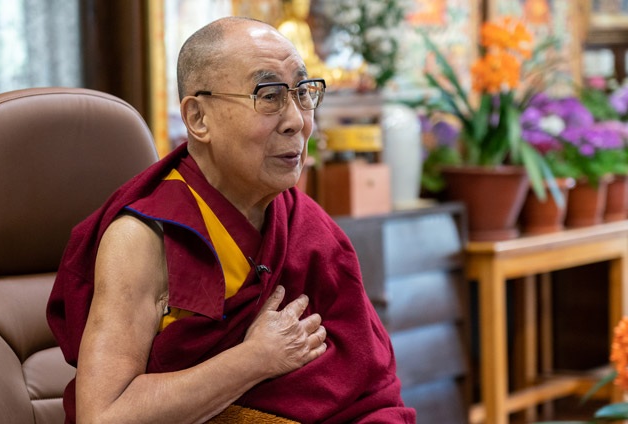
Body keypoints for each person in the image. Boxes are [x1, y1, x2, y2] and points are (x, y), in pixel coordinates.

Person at [47, 16, 415, 423]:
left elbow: (369, 390)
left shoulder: (305, 226)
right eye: (270, 95)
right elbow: (103, 416)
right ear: (198, 118)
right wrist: (254, 359)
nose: (297, 120)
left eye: (303, 92)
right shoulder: (143, 238)